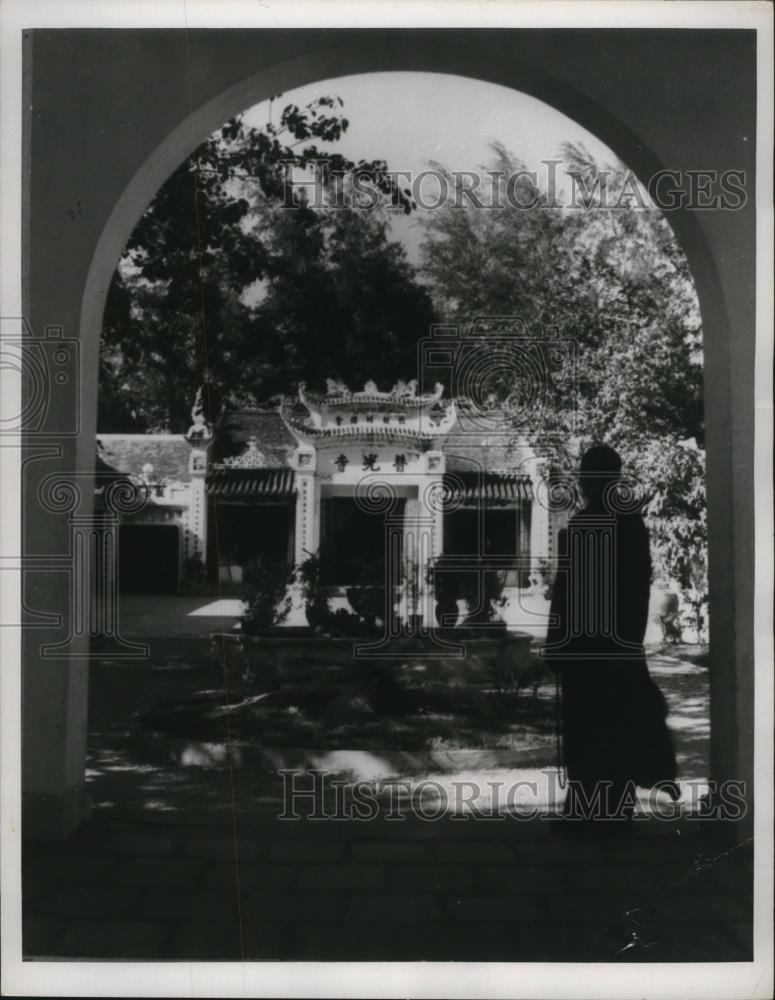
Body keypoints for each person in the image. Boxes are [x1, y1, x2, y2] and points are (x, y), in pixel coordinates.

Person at [545, 444, 680, 830]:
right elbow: (637, 591)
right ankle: (615, 812)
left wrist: (559, 643)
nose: (584, 482)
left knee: (587, 729)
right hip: (617, 648)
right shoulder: (632, 526)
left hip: (586, 650)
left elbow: (568, 595)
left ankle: (585, 812)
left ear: (594, 479)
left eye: (587, 475)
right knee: (614, 727)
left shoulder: (587, 525)